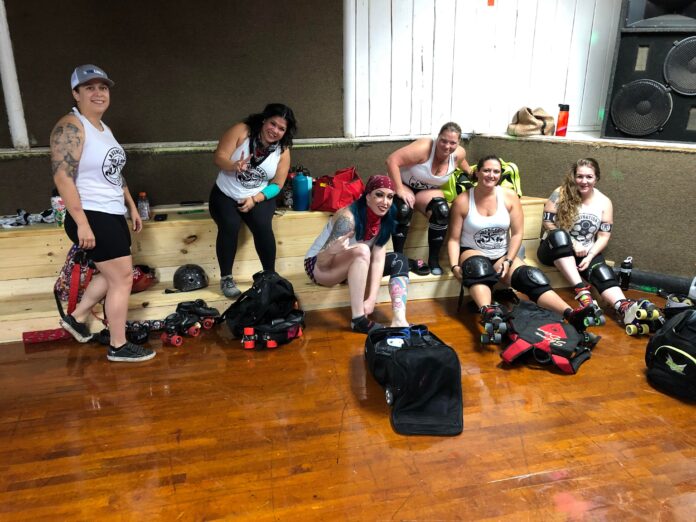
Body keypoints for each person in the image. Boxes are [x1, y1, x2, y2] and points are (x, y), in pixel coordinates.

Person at [51, 64, 154, 362]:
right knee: (122, 278)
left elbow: (113, 173)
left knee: (112, 276)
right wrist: (81, 223)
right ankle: (119, 346)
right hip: (91, 214)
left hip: (111, 212)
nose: (98, 93)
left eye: (103, 87)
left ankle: (77, 317)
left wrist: (131, 206)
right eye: (90, 88)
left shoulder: (103, 129)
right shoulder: (71, 125)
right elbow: (62, 177)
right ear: (76, 93)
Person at [447, 155, 599, 339]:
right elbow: (454, 239)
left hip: (502, 254)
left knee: (532, 278)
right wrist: (455, 266)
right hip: (472, 252)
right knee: (478, 268)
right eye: (486, 170)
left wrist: (509, 260)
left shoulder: (509, 197)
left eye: (496, 171)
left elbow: (517, 234)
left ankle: (571, 314)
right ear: (477, 172)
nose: (491, 175)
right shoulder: (463, 201)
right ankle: (488, 313)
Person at [537, 158, 657, 328]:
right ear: (574, 177)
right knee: (559, 236)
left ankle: (623, 306)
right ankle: (582, 291)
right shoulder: (561, 193)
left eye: (589, 177)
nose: (584, 181)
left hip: (584, 252)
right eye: (579, 176)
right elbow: (548, 223)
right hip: (552, 250)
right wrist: (572, 243)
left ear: (596, 178)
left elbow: (603, 236)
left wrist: (591, 255)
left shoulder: (604, 202)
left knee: (602, 270)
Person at [210, 103, 296, 298]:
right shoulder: (242, 130)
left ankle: (270, 276)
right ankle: (226, 278)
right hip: (226, 193)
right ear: (264, 120)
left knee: (262, 226)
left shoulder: (283, 150)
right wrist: (233, 165)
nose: (275, 130)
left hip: (257, 195)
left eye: (281, 128)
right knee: (229, 225)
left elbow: (277, 184)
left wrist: (255, 199)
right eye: (272, 124)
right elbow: (219, 157)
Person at [304, 175, 410, 334]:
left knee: (399, 259)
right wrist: (332, 250)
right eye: (379, 195)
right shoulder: (348, 219)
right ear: (368, 197)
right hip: (319, 267)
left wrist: (372, 299)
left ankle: (399, 320)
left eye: (389, 197)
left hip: (353, 265)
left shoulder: (386, 218)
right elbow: (321, 262)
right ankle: (358, 319)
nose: (385, 202)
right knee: (363, 250)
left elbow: (378, 260)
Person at [386, 122, 470, 275]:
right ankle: (398, 258)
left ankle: (433, 259)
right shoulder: (424, 148)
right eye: (443, 140)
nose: (447, 146)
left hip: (427, 190)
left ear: (458, 144)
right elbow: (391, 160)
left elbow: (461, 161)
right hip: (403, 183)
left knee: (442, 211)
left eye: (452, 143)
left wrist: (471, 172)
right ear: (437, 138)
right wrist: (399, 189)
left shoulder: (458, 153)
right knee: (403, 209)